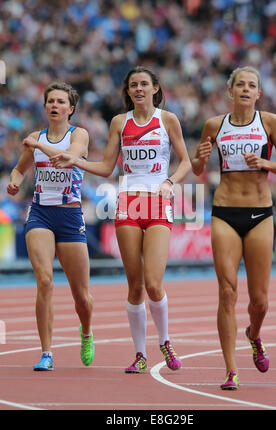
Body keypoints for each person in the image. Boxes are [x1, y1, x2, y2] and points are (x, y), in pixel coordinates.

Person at [50, 66, 191, 373]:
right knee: (135, 286)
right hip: (128, 202)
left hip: (157, 202)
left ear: (155, 88)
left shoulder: (167, 120)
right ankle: (140, 355)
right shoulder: (119, 122)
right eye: (133, 85)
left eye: (144, 84)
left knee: (154, 283)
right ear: (127, 92)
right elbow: (107, 168)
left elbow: (186, 161)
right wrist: (76, 161)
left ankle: (165, 341)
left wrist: (170, 182)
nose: (138, 89)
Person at [192, 66, 276, 390]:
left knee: (259, 302)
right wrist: (199, 157)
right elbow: (197, 169)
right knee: (227, 291)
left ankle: (253, 333)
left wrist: (265, 163)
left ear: (258, 94)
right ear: (231, 91)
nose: (246, 90)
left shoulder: (269, 123)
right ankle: (231, 370)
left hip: (260, 214)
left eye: (252, 85)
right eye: (241, 85)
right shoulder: (214, 125)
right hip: (224, 212)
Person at [7, 82, 95, 371]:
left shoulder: (78, 134)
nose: (55, 106)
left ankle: (86, 332)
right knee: (44, 281)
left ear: (71, 109)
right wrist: (15, 182)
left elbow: (68, 158)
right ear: (45, 107)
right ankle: (47, 352)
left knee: (81, 296)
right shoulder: (36, 137)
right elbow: (20, 168)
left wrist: (38, 146)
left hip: (70, 218)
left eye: (60, 102)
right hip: (41, 215)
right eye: (50, 101)